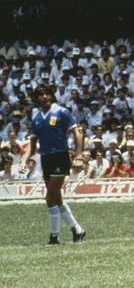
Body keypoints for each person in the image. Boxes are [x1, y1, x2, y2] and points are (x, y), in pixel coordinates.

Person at [19, 85, 86, 245]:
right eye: (40, 94)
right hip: (46, 159)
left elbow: (78, 132)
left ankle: (54, 236)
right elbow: (33, 144)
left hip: (60, 157)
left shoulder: (62, 111)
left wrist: (78, 155)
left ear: (51, 95)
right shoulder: (36, 117)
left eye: (46, 93)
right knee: (57, 198)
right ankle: (78, 230)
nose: (44, 96)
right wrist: (24, 160)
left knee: (49, 197)